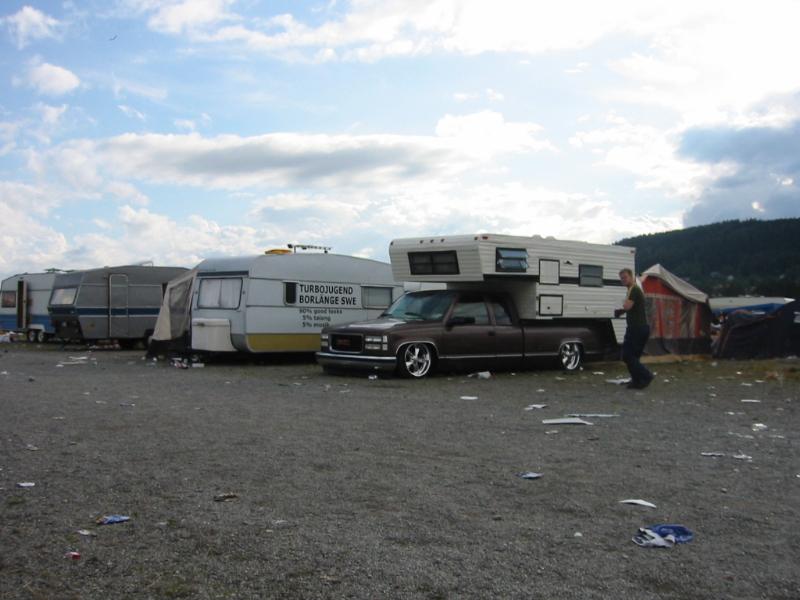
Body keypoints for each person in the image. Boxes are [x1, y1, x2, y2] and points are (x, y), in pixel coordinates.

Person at [615, 268, 653, 389]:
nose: (623, 280)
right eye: (621, 278)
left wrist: (621, 309)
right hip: (639, 328)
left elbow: (627, 306)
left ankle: (646, 375)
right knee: (633, 356)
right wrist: (621, 311)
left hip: (637, 328)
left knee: (627, 355)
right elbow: (630, 307)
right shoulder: (632, 290)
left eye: (625, 277)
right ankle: (637, 381)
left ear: (632, 277)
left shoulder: (634, 289)